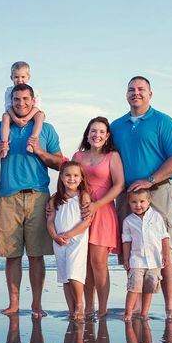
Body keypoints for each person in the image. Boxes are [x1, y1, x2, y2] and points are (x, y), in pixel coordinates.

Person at [111, 76, 172, 321]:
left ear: (150, 94)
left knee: (166, 248)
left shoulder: (163, 121)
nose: (136, 93)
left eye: (141, 89)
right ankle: (140, 310)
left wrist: (151, 180)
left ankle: (170, 307)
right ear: (126, 94)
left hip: (158, 191)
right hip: (127, 195)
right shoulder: (117, 125)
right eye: (131, 89)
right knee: (133, 249)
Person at [0, 83, 65, 318]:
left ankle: (36, 305)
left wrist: (41, 152)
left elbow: (60, 163)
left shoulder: (46, 129)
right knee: (11, 255)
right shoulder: (1, 127)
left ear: (34, 100)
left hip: (38, 196)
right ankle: (13, 304)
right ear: (10, 101)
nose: (21, 103)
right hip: (8, 196)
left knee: (36, 255)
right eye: (16, 99)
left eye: (25, 99)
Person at [72, 117, 124, 320]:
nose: (97, 135)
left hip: (102, 211)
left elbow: (118, 185)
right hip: (80, 211)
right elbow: (70, 180)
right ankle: (88, 307)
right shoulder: (78, 155)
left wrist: (96, 205)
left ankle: (102, 309)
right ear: (87, 134)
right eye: (93, 131)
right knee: (83, 263)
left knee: (98, 262)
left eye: (102, 132)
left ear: (107, 136)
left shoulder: (113, 156)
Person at [47, 162, 93, 322]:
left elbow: (87, 221)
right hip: (59, 242)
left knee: (74, 274)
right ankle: (71, 309)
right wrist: (55, 236)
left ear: (81, 179)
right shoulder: (55, 198)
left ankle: (80, 305)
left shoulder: (83, 196)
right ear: (61, 177)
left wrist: (70, 234)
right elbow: (50, 221)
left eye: (75, 175)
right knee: (65, 276)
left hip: (77, 240)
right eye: (68, 175)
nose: (71, 178)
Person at [121, 189, 171, 322]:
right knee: (133, 288)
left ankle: (144, 313)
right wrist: (126, 258)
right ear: (129, 203)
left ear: (149, 201)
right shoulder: (128, 221)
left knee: (149, 288)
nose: (138, 205)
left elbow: (164, 237)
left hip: (154, 261)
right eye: (134, 202)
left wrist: (166, 255)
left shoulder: (156, 217)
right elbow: (126, 241)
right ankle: (128, 312)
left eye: (142, 201)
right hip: (136, 261)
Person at [0, 61, 46, 157]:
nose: (19, 80)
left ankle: (32, 141)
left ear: (28, 77)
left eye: (23, 77)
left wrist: (27, 118)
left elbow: (37, 106)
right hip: (13, 115)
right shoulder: (9, 91)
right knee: (5, 116)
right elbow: (8, 106)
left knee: (40, 115)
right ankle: (5, 145)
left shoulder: (33, 90)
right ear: (11, 77)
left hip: (31, 113)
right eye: (16, 77)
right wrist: (16, 119)